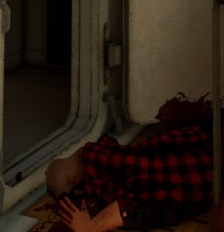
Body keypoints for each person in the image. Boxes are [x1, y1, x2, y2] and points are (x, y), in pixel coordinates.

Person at [45, 97, 214, 232]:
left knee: (141, 206)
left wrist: (91, 227)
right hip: (202, 154)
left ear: (73, 181)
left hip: (196, 181)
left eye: (67, 196)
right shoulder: (97, 150)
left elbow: (125, 204)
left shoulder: (96, 170)